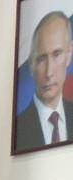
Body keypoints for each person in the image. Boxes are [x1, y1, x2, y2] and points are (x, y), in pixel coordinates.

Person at [18, 10, 72, 151]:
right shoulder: (18, 129)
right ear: (31, 65)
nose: (49, 73)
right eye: (41, 59)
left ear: (69, 54)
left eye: (56, 54)